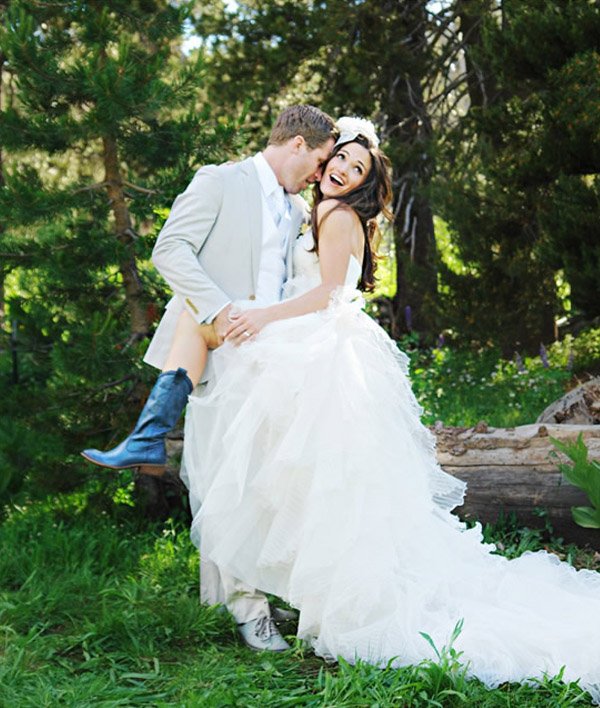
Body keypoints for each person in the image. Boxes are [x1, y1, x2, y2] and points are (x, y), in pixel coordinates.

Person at [182, 117, 600, 700]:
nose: (341, 172)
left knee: (303, 480)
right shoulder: (321, 210)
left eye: (355, 170)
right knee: (323, 483)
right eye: (341, 161)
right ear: (322, 158)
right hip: (330, 347)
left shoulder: (332, 214)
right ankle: (285, 592)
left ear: (360, 185)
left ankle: (317, 597)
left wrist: (261, 318)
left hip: (316, 349)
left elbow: (329, 291)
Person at [81, 105, 336, 476]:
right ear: (298, 144)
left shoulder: (298, 209)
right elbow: (169, 249)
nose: (319, 175)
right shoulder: (221, 181)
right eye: (319, 160)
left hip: (279, 355)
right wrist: (218, 309)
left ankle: (146, 438)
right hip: (224, 353)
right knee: (229, 485)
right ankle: (148, 438)